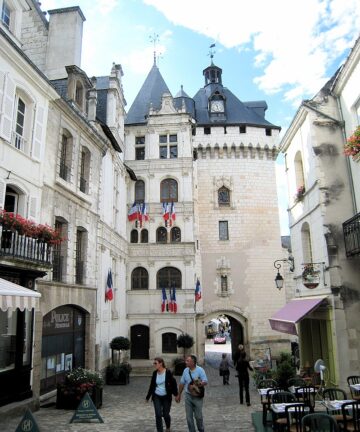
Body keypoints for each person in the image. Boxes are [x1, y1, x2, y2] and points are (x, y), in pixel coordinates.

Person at [175, 355, 208, 432]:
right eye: (186, 360)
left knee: (198, 417)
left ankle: (201, 429)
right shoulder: (185, 370)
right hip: (188, 396)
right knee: (189, 418)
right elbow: (182, 383)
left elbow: (205, 381)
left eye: (187, 361)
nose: (185, 362)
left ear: (193, 362)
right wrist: (179, 395)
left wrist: (198, 384)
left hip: (198, 397)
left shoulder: (200, 370)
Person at [146, 357, 178, 432]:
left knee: (166, 414)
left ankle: (168, 427)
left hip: (166, 396)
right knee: (158, 414)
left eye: (155, 363)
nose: (154, 364)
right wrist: (147, 397)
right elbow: (152, 386)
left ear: (161, 363)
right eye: (154, 363)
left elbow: (173, 384)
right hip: (157, 396)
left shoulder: (168, 372)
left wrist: (176, 395)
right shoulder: (155, 373)